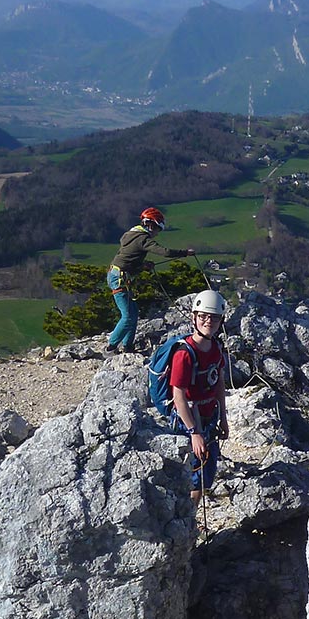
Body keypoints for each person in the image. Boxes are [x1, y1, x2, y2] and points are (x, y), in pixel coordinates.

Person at [170, 289, 229, 503]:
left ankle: (190, 521)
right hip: (189, 422)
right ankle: (188, 522)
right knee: (193, 477)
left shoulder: (216, 348)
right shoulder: (184, 354)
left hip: (209, 417)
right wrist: (194, 432)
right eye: (203, 316)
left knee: (204, 475)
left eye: (213, 317)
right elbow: (178, 396)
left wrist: (223, 417)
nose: (208, 321)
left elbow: (219, 383)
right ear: (194, 318)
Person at [106, 206, 170, 354]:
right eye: (157, 229)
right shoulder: (143, 239)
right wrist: (185, 253)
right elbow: (164, 252)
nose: (157, 233)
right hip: (120, 279)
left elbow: (128, 259)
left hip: (117, 276)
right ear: (151, 225)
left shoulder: (132, 234)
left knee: (133, 313)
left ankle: (128, 346)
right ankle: (111, 347)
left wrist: (142, 266)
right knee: (128, 316)